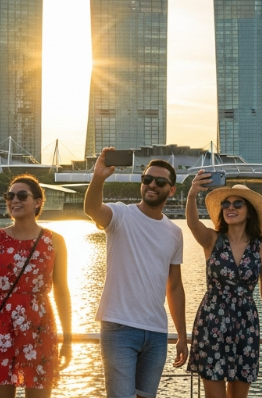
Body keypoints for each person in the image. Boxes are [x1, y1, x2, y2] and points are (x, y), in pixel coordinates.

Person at [84, 148, 187, 398]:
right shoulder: (121, 215)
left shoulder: (174, 232)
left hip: (156, 331)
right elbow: (92, 209)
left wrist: (182, 335)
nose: (152, 184)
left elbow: (174, 287)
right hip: (119, 326)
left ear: (171, 190)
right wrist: (98, 177)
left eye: (160, 181)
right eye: (147, 179)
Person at [0, 174, 72, 398]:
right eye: (10, 195)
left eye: (22, 195)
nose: (14, 200)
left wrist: (68, 338)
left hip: (39, 326)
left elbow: (62, 291)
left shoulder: (55, 241)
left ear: (38, 202)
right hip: (0, 326)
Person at [185, 173, 262, 397]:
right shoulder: (212, 239)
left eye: (238, 203)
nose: (231, 207)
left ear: (249, 212)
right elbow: (192, 223)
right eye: (226, 204)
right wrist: (192, 195)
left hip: (245, 322)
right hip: (212, 320)